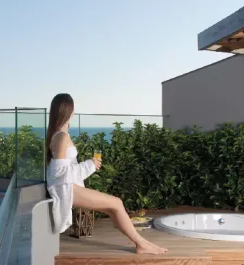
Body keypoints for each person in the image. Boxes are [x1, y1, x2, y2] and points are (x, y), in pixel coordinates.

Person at [45, 93, 168, 255]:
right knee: (116, 203)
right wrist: (89, 165)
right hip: (66, 189)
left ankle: (141, 243)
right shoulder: (61, 137)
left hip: (68, 186)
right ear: (69, 110)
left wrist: (90, 165)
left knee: (113, 208)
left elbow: (62, 168)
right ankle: (142, 244)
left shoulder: (58, 134)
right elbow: (58, 172)